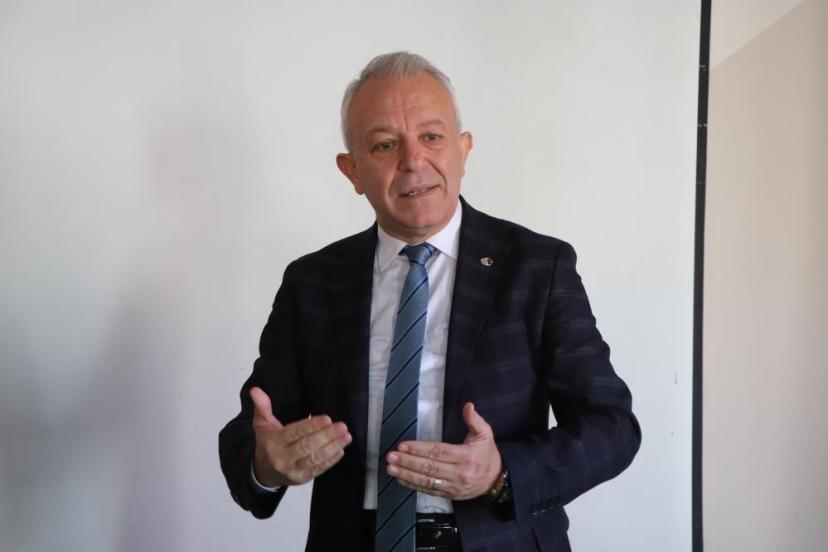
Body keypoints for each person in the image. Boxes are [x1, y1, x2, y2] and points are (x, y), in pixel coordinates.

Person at [219, 51, 640, 552]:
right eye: (384, 144)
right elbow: (252, 430)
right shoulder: (313, 281)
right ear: (352, 171)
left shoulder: (536, 267)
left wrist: (501, 473)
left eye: (432, 137)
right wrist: (265, 464)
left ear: (464, 150)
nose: (413, 161)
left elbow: (612, 426)